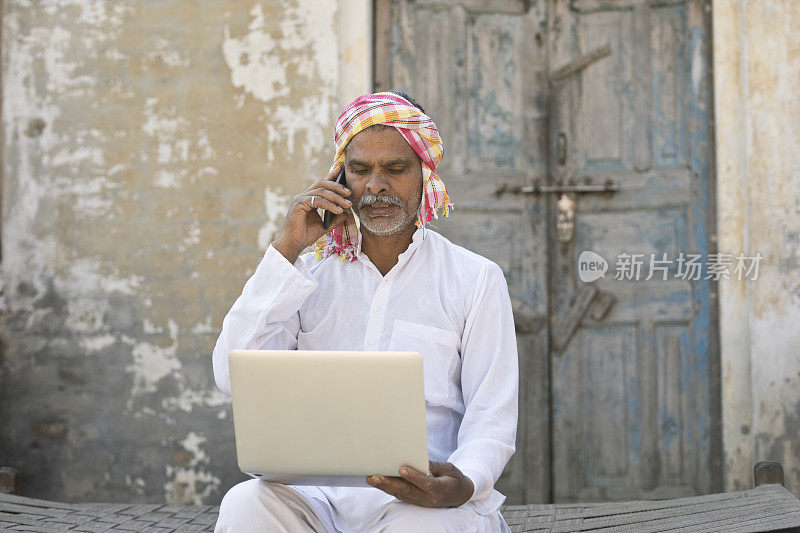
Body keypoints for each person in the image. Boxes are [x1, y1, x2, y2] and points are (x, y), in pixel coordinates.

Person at [212, 91, 518, 532]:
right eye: (359, 170)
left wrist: (463, 483)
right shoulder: (304, 272)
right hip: (312, 495)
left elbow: (492, 414)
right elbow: (229, 373)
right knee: (245, 505)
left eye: (394, 169)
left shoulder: (474, 278)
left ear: (425, 175)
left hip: (420, 499)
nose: (375, 185)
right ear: (340, 176)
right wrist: (288, 247)